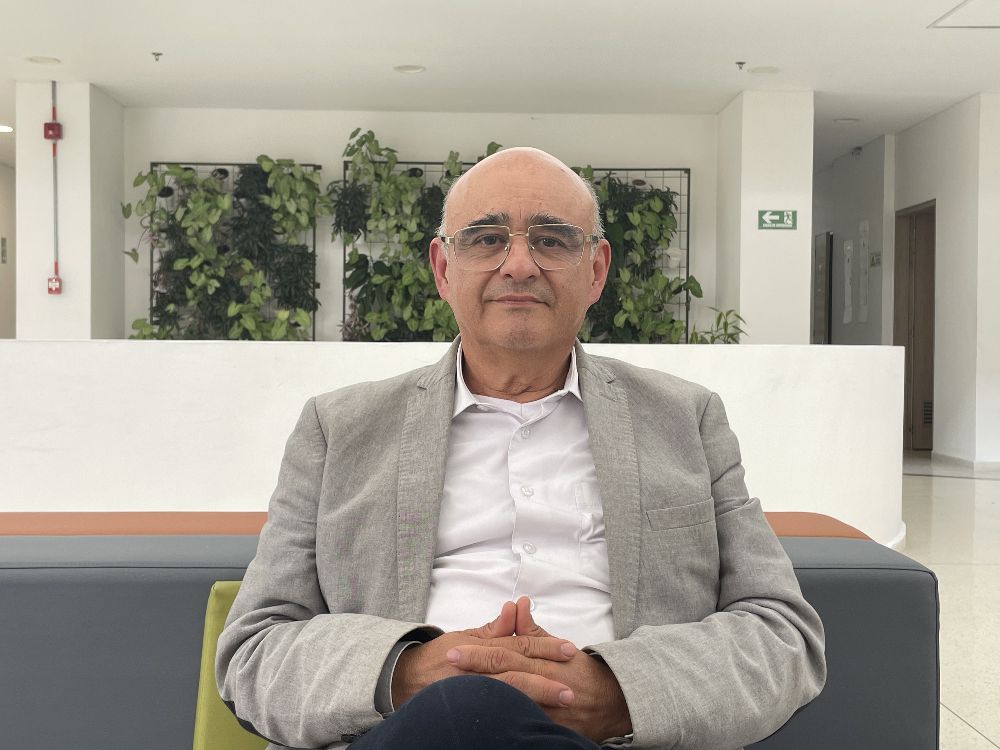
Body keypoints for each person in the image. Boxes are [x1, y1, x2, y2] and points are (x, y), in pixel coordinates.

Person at [216, 147, 826, 750]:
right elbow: (253, 653)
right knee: (461, 712)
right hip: (396, 736)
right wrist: (406, 676)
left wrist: (617, 693)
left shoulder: (685, 420)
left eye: (552, 240)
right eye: (486, 239)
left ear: (596, 270)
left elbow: (783, 637)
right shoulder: (339, 428)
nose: (518, 265)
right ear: (443, 269)